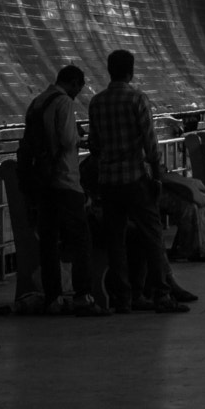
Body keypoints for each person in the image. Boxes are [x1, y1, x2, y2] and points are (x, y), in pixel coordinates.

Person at [87, 50, 186, 314]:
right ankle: (162, 295)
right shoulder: (137, 99)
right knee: (152, 235)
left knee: (116, 239)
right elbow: (150, 144)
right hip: (135, 179)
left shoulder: (96, 102)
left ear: (109, 70)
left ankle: (123, 298)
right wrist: (156, 175)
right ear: (131, 71)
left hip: (108, 182)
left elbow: (93, 145)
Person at [16, 65, 102, 315]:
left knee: (49, 240)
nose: (78, 93)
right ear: (73, 82)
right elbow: (66, 140)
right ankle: (83, 297)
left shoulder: (37, 101)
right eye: (79, 87)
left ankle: (52, 298)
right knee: (81, 238)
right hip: (64, 179)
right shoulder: (64, 102)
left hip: (42, 183)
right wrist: (79, 137)